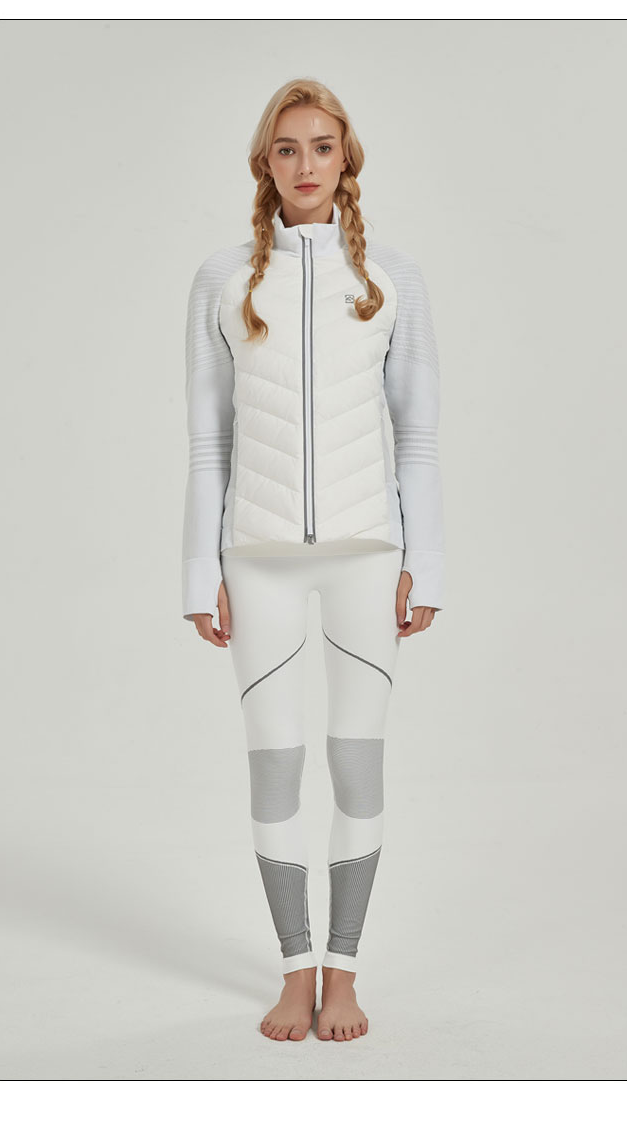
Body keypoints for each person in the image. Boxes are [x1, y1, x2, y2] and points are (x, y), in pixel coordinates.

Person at [181, 78, 444, 1043]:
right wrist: (197, 572)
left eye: (322, 147)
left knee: (356, 766)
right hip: (257, 559)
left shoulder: (391, 279)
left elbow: (418, 434)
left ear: (346, 160)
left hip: (369, 554)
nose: (305, 164)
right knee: (277, 769)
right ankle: (295, 969)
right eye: (287, 148)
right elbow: (208, 440)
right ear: (266, 162)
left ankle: (345, 971)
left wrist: (428, 561)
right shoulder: (223, 279)